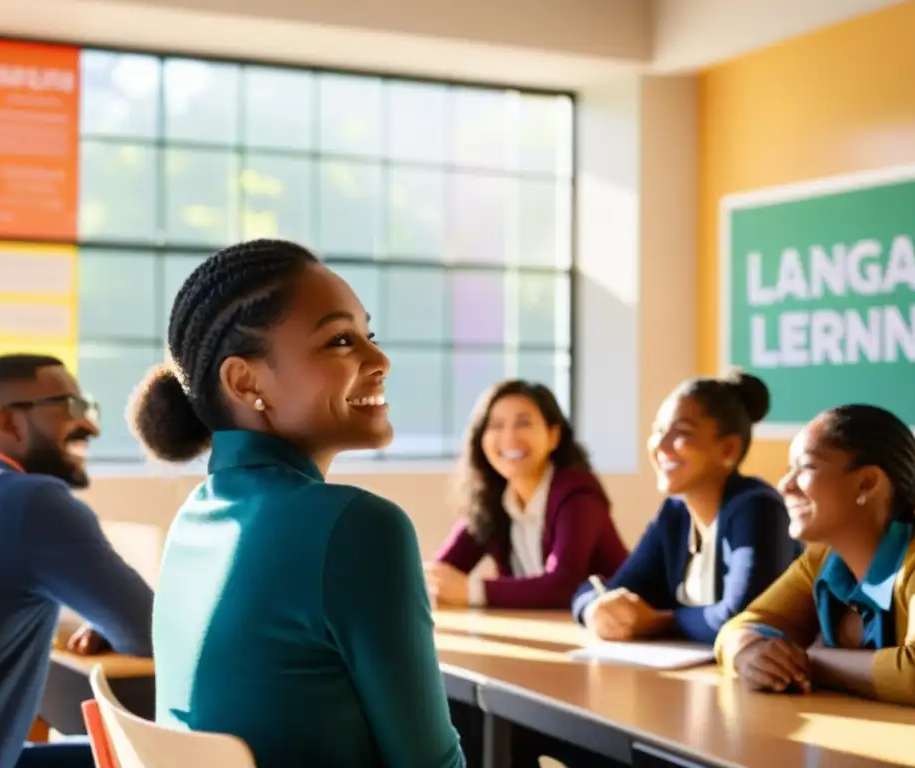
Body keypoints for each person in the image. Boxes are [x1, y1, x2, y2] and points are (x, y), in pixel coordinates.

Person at [130, 239, 464, 768]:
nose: (379, 359)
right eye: (339, 340)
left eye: (368, 335)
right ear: (245, 381)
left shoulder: (193, 519)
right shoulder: (359, 527)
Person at [0, 354, 154, 768]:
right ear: (8, 422)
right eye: (70, 407)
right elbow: (148, 632)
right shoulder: (31, 501)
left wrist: (104, 621)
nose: (91, 426)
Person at [715, 404, 915, 708]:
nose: (785, 485)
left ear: (867, 483)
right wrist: (748, 653)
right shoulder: (821, 562)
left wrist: (812, 660)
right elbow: (739, 627)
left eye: (806, 468)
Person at [572, 370, 797, 645]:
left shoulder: (758, 508)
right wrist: (593, 609)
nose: (661, 446)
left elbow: (745, 616)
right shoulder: (675, 513)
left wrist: (659, 622)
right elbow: (612, 590)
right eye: (657, 431)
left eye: (681, 432)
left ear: (728, 449)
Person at [427, 379, 626, 610]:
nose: (509, 438)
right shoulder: (491, 499)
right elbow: (442, 573)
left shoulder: (578, 494)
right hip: (541, 628)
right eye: (496, 425)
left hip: (610, 635)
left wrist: (472, 590)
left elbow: (565, 584)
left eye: (523, 423)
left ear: (553, 436)